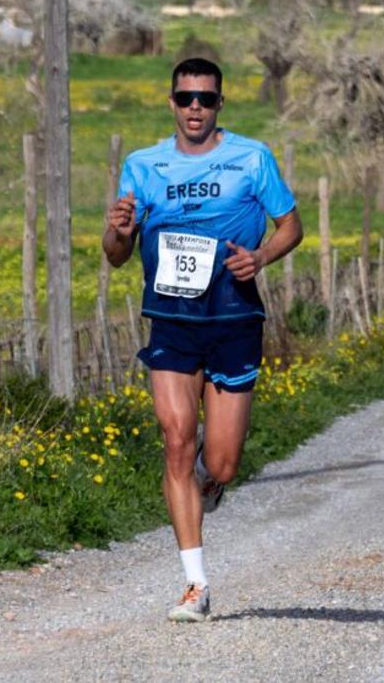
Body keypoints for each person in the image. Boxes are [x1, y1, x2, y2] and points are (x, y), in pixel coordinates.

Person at [102, 58, 303, 622]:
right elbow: (116, 256)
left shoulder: (252, 158)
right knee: (175, 439)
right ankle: (196, 585)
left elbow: (292, 224)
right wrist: (117, 230)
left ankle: (209, 486)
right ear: (171, 103)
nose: (195, 108)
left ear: (219, 105)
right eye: (186, 98)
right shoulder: (143, 166)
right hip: (171, 321)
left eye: (206, 99)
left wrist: (261, 256)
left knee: (222, 463)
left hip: (234, 321)